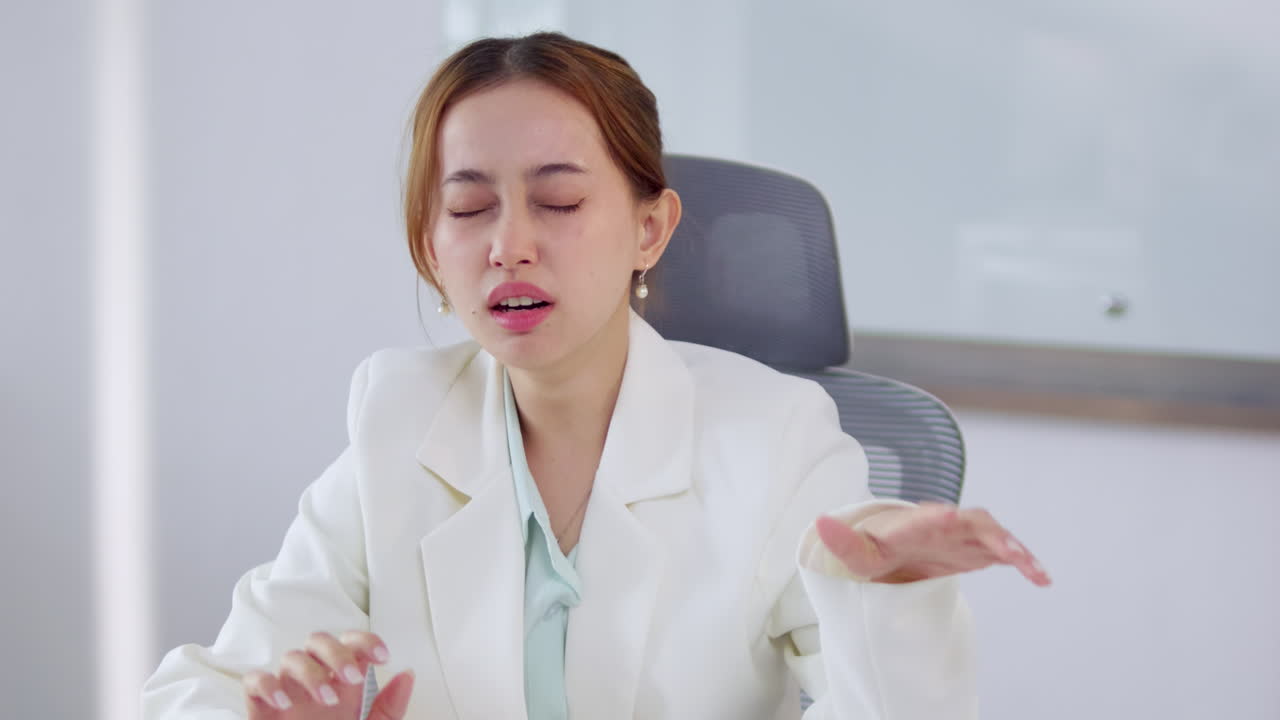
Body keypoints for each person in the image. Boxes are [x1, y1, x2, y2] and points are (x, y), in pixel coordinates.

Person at [142, 31, 1049, 720]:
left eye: (560, 201)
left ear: (650, 230)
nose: (509, 245)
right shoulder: (399, 422)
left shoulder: (776, 439)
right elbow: (192, 688)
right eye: (467, 208)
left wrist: (883, 603)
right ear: (430, 247)